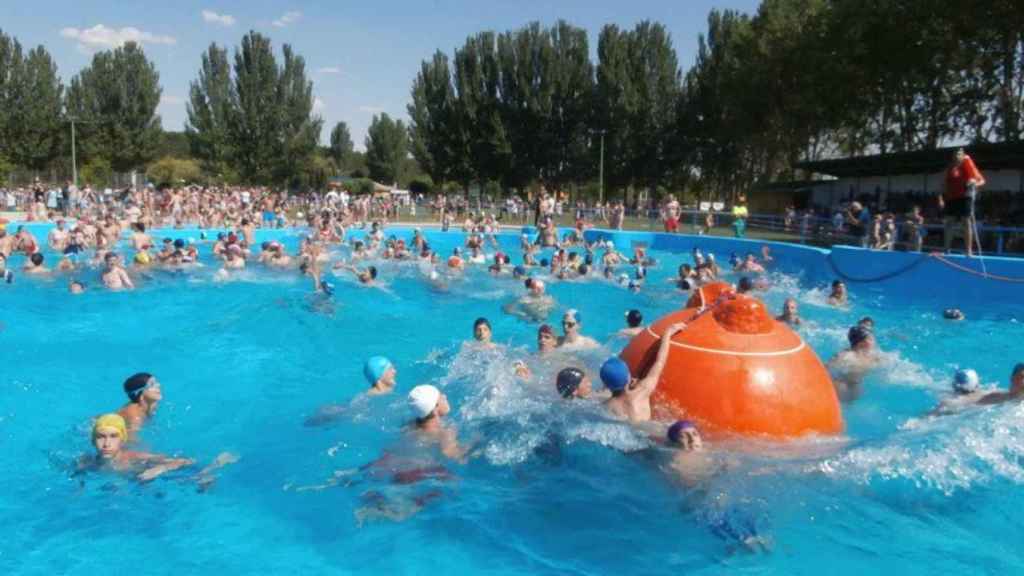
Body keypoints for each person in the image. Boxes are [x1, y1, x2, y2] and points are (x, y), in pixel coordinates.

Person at [601, 322, 686, 422]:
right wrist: (668, 333)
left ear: (605, 384)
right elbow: (659, 362)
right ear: (628, 377)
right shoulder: (642, 391)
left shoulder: (606, 406)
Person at [78, 414, 193, 482]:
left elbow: (187, 461)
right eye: (101, 437)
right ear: (93, 441)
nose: (107, 444)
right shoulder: (86, 461)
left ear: (122, 440)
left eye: (113, 437)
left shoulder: (135, 458)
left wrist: (159, 469)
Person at [940, 148, 985, 256]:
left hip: (965, 197)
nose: (957, 156)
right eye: (955, 154)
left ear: (963, 155)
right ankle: (946, 249)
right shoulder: (950, 168)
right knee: (949, 222)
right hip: (951, 198)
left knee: (966, 221)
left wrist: (974, 183)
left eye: (959, 154)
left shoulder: (968, 165)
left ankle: (968, 251)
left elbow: (981, 181)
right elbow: (944, 184)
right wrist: (942, 197)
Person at [408, 385, 467, 461]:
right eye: (441, 397)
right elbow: (458, 457)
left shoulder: (410, 426)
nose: (445, 396)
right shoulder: (444, 433)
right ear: (435, 407)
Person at [827, 326, 881, 402]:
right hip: (842, 387)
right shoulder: (847, 355)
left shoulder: (871, 355)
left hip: (856, 387)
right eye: (871, 339)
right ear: (862, 343)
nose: (874, 341)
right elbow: (826, 367)